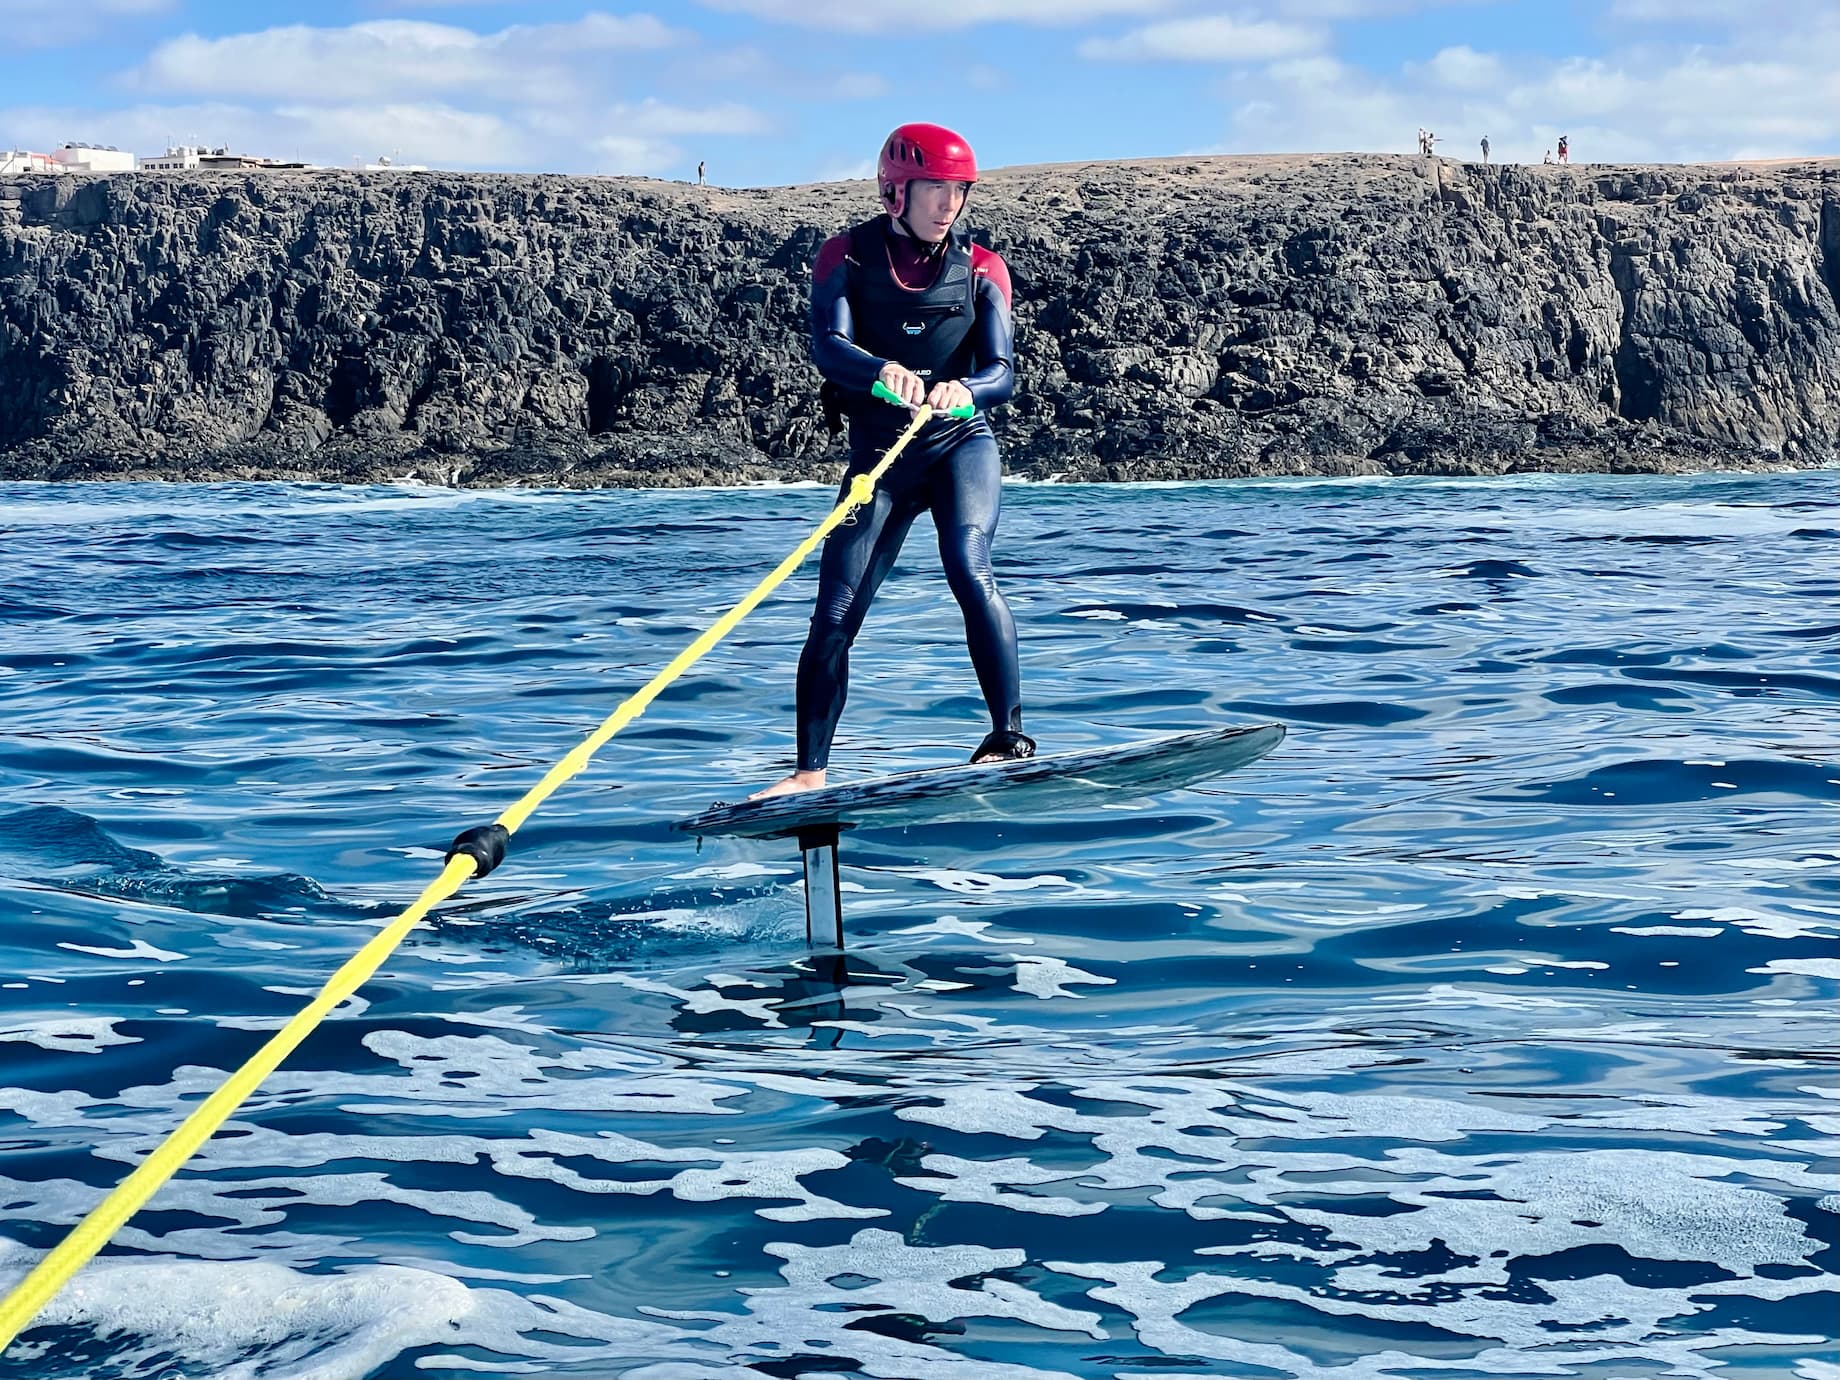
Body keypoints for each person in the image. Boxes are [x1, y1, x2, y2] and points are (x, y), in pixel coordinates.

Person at [750, 122, 1026, 799]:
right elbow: (827, 347)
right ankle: (810, 770)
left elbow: (1002, 370)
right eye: (935, 189)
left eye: (958, 192)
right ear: (895, 191)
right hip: (882, 457)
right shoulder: (844, 259)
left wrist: (968, 388)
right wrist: (881, 372)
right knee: (837, 611)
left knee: (969, 564)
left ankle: (1006, 737)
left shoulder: (983, 268)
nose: (949, 205)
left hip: (960, 444)